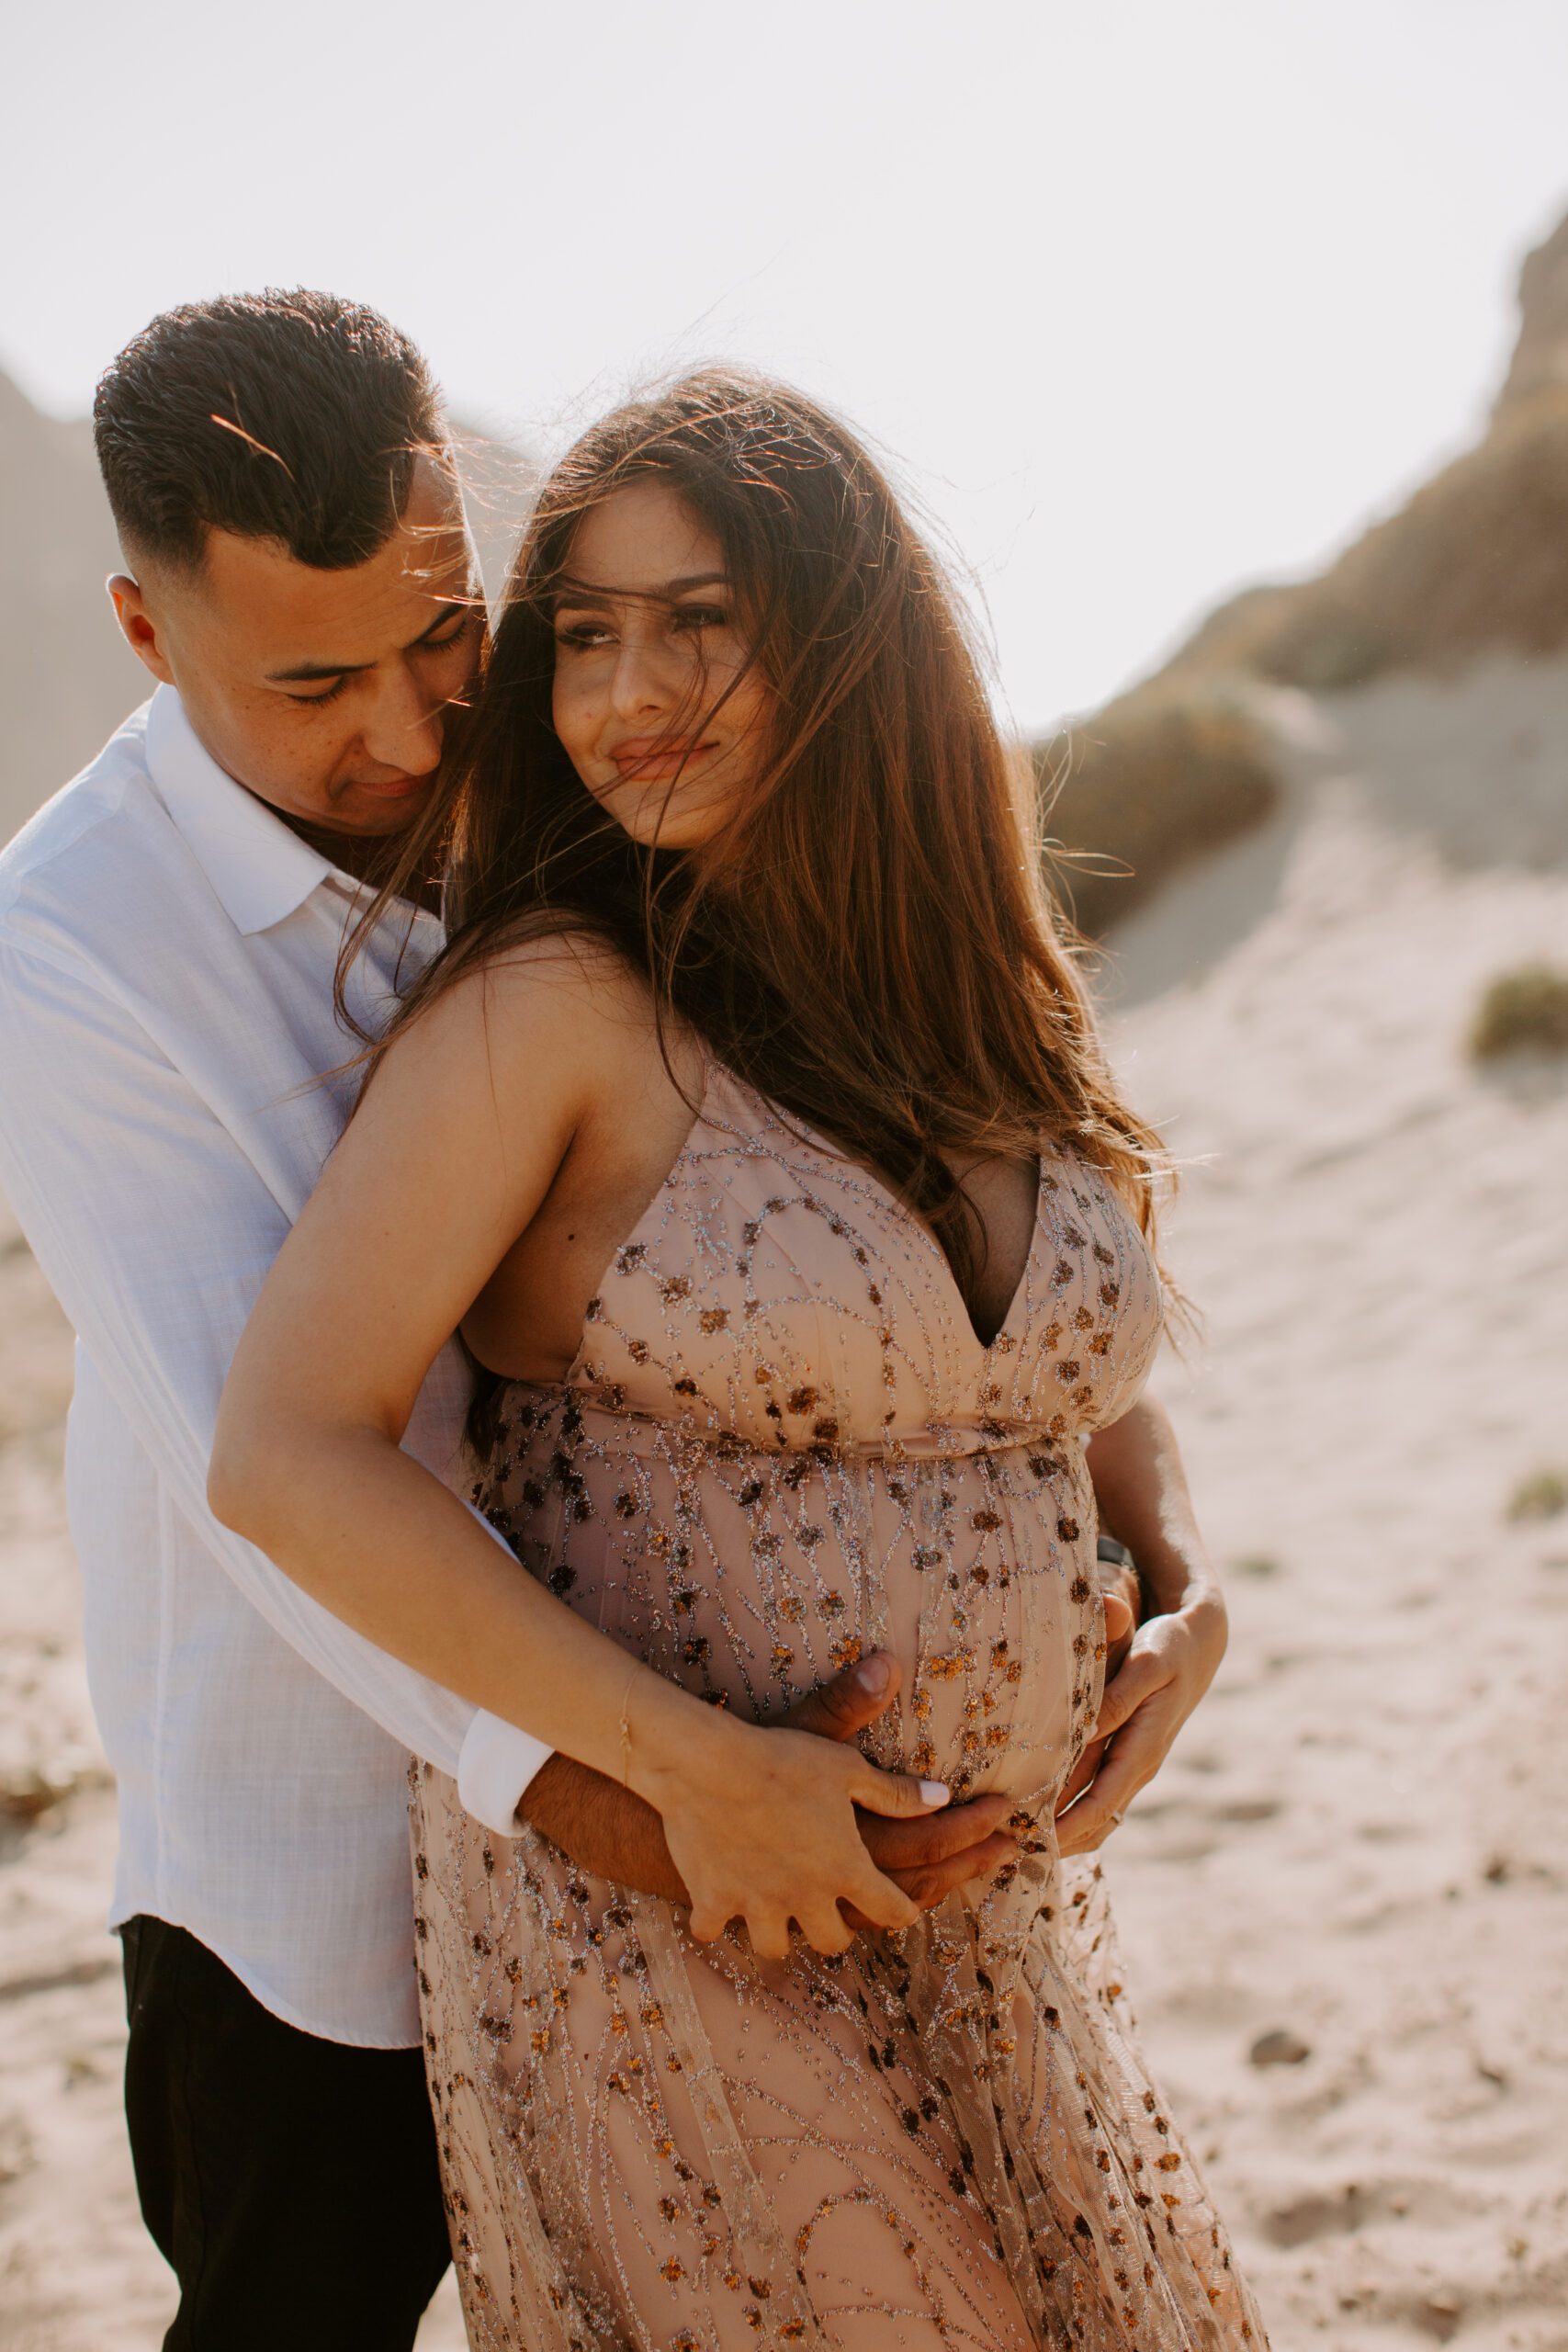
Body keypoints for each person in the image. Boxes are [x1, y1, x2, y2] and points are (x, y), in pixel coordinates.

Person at [0, 296, 1013, 2352]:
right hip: (319, 1843)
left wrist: (1125, 1545)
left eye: (438, 632)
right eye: (310, 683)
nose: (402, 728)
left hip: (719, 1773)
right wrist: (658, 1802)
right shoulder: (61, 958)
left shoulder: (558, 754)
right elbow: (264, 1472)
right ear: (141, 629)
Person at [210, 372, 1262, 2348]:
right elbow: (286, 1448)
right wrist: (692, 1777)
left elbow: (1057, 1375)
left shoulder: (972, 1002)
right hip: (681, 1913)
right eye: (582, 637)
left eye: (697, 618)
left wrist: (1186, 1595)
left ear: (846, 633)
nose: (626, 692)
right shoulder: (552, 1010)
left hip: (990, 1927)